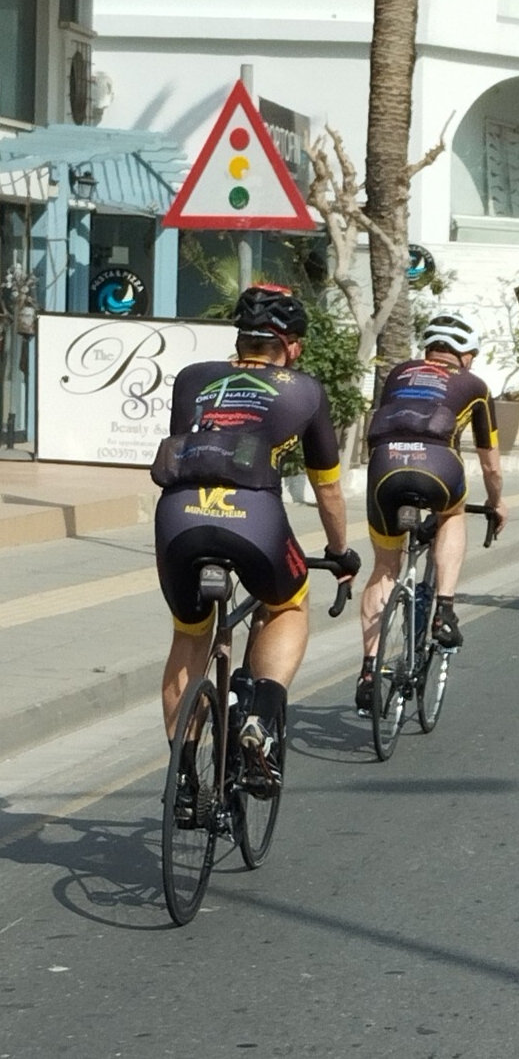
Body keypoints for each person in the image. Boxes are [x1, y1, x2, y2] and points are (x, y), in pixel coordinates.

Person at [153, 285, 360, 790]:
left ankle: (184, 782)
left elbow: (191, 449)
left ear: (240, 340)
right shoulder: (304, 390)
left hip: (178, 516)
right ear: (292, 346)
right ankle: (260, 718)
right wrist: (339, 552)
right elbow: (328, 489)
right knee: (288, 604)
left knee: (190, 634)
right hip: (255, 518)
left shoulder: (193, 377)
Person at [356, 311, 508, 710]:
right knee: (452, 515)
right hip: (438, 466)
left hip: (386, 466)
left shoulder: (399, 372)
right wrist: (496, 501)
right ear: (466, 355)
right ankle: (444, 610)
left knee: (384, 568)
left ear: (428, 350)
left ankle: (369, 671)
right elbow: (490, 462)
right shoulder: (474, 385)